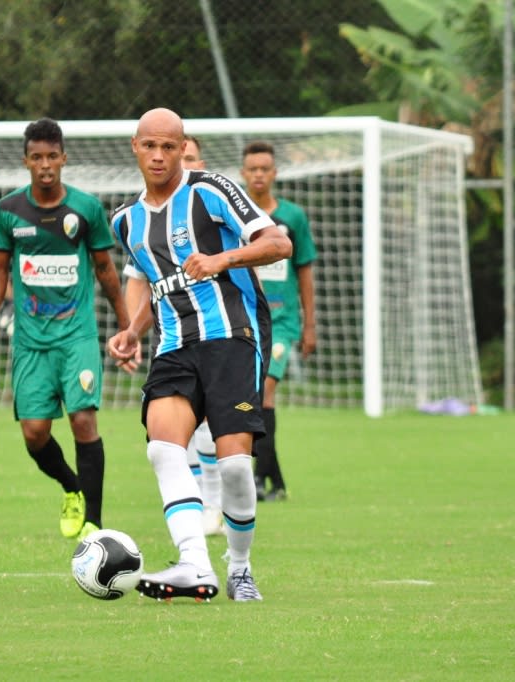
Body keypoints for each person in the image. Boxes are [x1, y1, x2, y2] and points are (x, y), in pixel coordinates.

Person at [108, 108, 292, 602]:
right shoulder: (126, 221)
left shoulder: (211, 190)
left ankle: (240, 568)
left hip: (234, 336)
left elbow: (280, 242)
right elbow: (156, 286)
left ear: (182, 146)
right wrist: (131, 331)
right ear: (135, 147)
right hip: (173, 346)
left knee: (234, 468)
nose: (160, 155)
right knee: (162, 448)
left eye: (170, 146)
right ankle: (195, 562)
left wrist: (221, 259)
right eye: (151, 146)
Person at [0, 117, 130, 542]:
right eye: (37, 157)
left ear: (64, 158)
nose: (45, 165)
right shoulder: (9, 211)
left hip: (77, 336)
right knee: (34, 433)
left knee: (83, 420)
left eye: (52, 156)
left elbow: (105, 270)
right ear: (26, 161)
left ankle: (96, 526)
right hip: (29, 341)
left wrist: (125, 325)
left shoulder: (85, 209)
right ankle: (71, 487)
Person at [120, 133, 224, 536]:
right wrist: (133, 331)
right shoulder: (142, 216)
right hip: (174, 339)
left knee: (218, 432)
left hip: (222, 337)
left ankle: (217, 503)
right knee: (177, 431)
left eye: (194, 158)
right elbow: (137, 279)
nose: (189, 166)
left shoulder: (214, 205)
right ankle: (200, 506)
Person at [240, 141, 318, 502]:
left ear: (274, 173)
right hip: (244, 318)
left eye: (264, 168)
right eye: (252, 168)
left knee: (264, 391)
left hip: (282, 321)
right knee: (250, 397)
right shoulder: (236, 215)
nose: (258, 174)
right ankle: (276, 481)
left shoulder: (293, 217)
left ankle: (257, 479)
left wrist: (310, 324)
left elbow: (304, 270)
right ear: (243, 173)